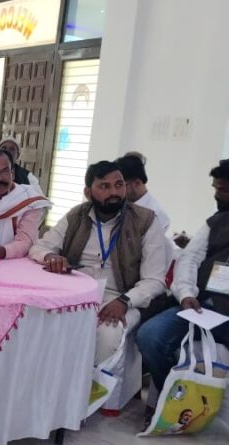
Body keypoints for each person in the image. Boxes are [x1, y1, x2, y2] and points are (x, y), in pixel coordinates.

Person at [31, 160, 167, 365]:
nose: (114, 192)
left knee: (108, 335)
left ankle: (95, 385)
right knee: (39, 320)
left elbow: (154, 280)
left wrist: (124, 302)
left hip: (120, 296)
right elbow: (39, 246)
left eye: (119, 185)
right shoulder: (77, 215)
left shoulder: (145, 220)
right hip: (76, 293)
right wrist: (50, 256)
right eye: (104, 186)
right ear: (88, 192)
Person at [138, 162, 229, 398]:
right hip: (203, 307)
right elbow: (190, 259)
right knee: (150, 336)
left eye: (223, 189)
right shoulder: (216, 223)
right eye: (216, 188)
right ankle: (177, 400)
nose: (217, 195)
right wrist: (186, 294)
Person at [116, 152, 171, 231]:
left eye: (121, 185)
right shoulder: (120, 206)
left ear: (137, 183)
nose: (115, 191)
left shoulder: (156, 215)